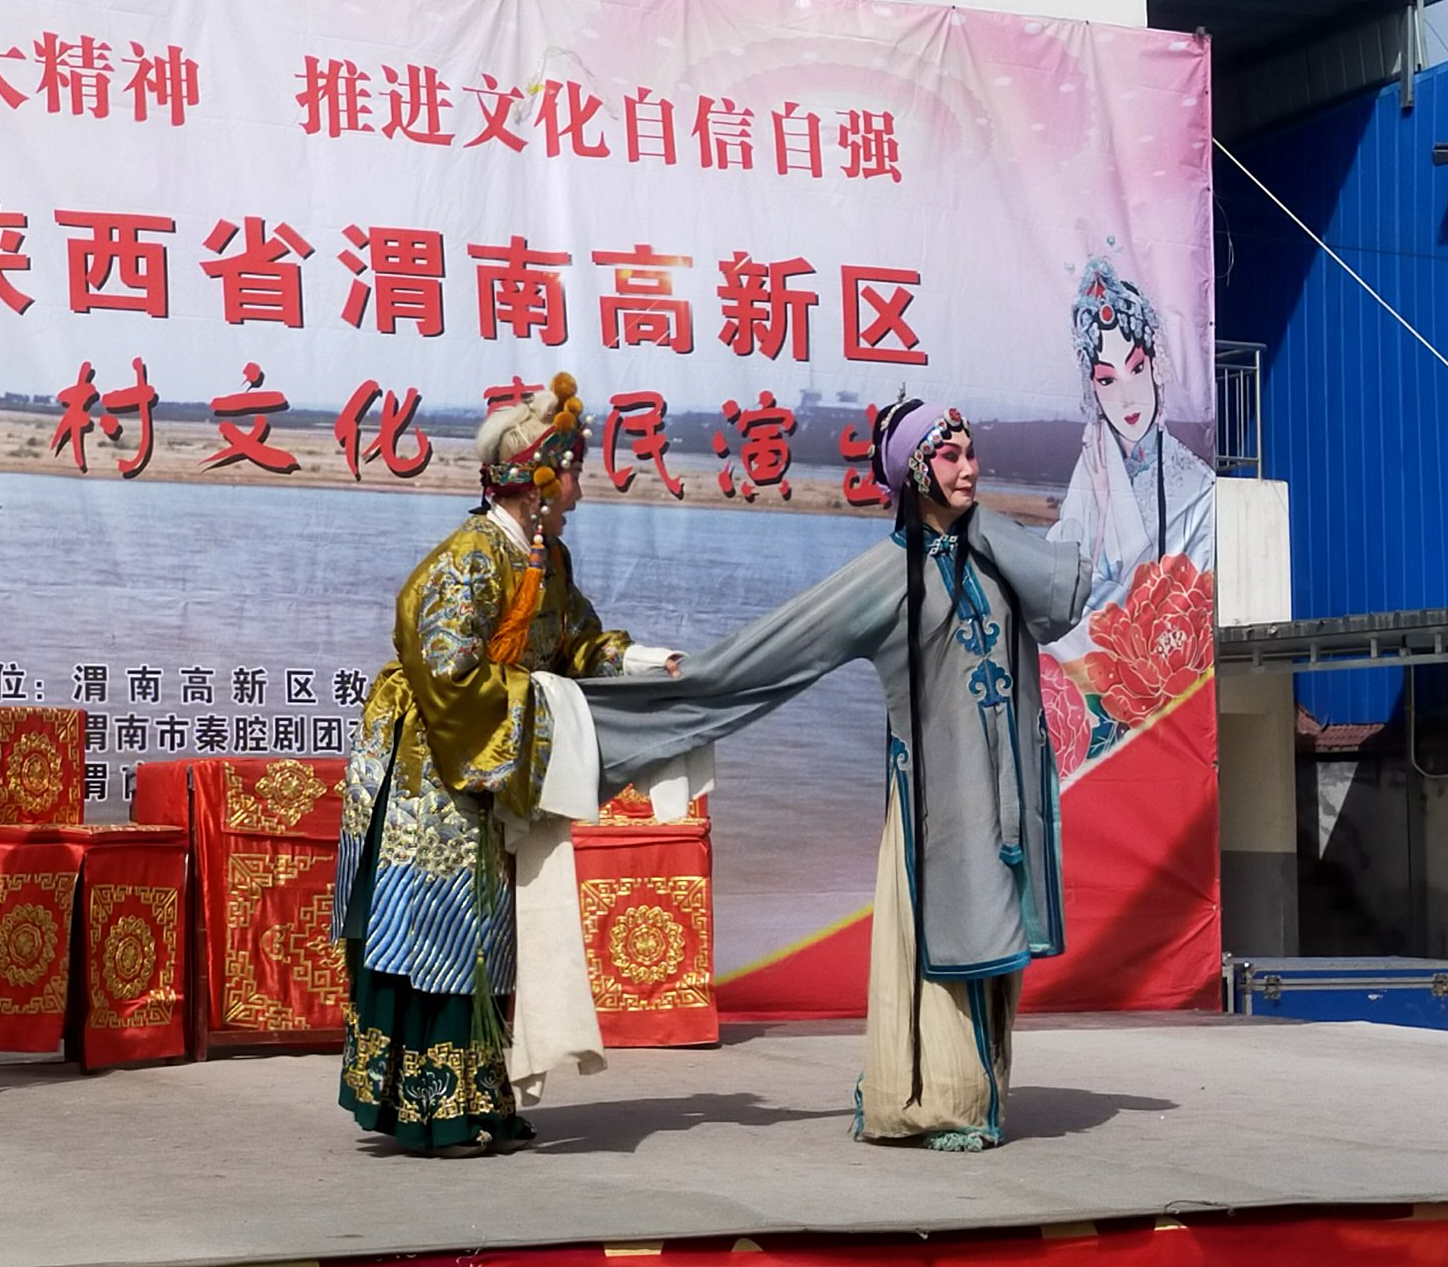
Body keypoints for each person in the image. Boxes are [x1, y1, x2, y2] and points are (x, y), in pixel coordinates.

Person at [584, 398, 1090, 1150]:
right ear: (915, 470)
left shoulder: (995, 551)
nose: (969, 468)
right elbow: (782, 650)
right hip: (936, 800)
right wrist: (687, 677)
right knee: (946, 938)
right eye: (949, 456)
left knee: (995, 933)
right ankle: (934, 1098)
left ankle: (978, 1094)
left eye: (970, 452)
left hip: (1005, 792)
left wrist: (981, 525)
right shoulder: (885, 576)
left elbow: (1062, 597)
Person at [330, 374, 677, 1158]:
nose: (581, 488)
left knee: (489, 933)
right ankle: (434, 1110)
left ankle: (480, 1098)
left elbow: (576, 644)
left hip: (487, 760)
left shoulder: (546, 559)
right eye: (574, 472)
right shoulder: (469, 561)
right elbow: (447, 673)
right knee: (439, 930)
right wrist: (543, 706)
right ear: (536, 483)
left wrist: (644, 662)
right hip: (435, 768)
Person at [1046, 255, 1215, 658]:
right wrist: (1104, 505)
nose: (1127, 398)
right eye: (1107, 379)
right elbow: (1063, 587)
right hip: (1091, 656)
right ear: (1092, 387)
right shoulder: (1093, 465)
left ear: (1155, 365)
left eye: (1136, 369)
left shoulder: (1196, 483)